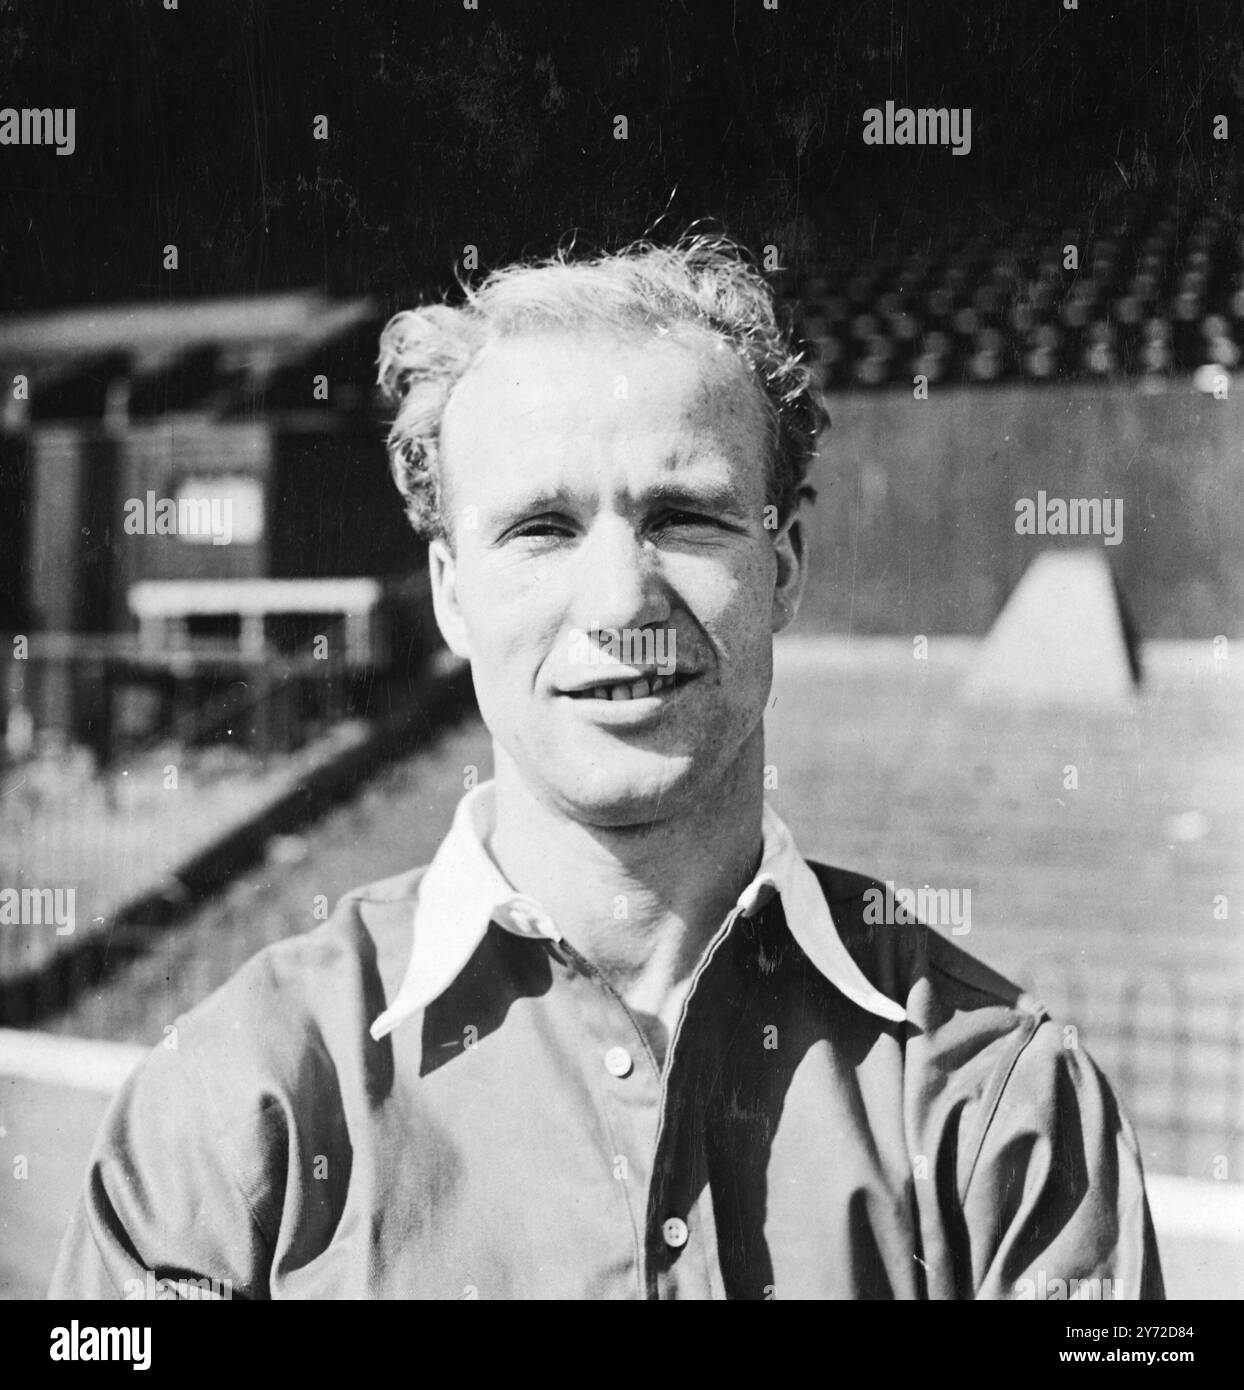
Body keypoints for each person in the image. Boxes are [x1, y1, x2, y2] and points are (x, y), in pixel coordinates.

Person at [50, 236, 1163, 1300]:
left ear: (782, 569)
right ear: (448, 591)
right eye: (540, 527)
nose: (622, 600)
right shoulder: (231, 1106)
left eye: (683, 518)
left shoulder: (1003, 1105)